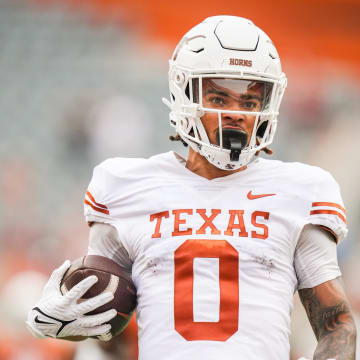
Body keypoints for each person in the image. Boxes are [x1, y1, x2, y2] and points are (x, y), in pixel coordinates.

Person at [26, 16, 357, 360]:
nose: (236, 114)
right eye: (219, 98)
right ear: (184, 93)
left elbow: (338, 325)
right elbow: (114, 330)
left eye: (249, 103)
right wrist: (71, 320)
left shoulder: (300, 192)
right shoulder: (126, 186)